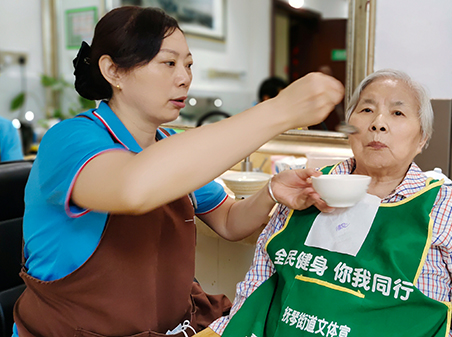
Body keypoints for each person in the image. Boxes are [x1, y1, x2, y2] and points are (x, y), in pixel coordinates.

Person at [12, 6, 343, 337]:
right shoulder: (68, 140)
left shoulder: (168, 143)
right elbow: (133, 187)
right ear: (113, 71)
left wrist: (271, 191)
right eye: (168, 63)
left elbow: (229, 221)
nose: (184, 77)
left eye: (188, 65)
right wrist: (280, 111)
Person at [210, 69, 452, 336]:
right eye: (366, 109)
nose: (378, 122)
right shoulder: (305, 189)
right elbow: (257, 289)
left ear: (423, 139)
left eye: (398, 112)